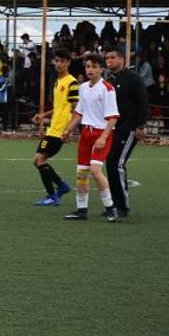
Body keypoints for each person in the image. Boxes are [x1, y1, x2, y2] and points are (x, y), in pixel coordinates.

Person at [62, 54, 120, 222]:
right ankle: (82, 210)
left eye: (94, 67)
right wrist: (68, 130)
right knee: (82, 173)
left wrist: (103, 137)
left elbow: (113, 117)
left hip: (102, 134)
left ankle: (111, 208)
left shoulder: (107, 88)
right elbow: (79, 112)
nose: (90, 70)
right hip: (86, 134)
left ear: (102, 69)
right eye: (88, 66)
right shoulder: (83, 88)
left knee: (95, 170)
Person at [31, 48, 78, 206]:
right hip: (53, 129)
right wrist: (43, 115)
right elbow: (59, 108)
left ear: (68, 62)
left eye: (62, 61)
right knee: (38, 160)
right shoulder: (58, 82)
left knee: (39, 160)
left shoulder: (72, 82)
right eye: (56, 61)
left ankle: (53, 195)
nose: (59, 64)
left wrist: (69, 130)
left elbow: (76, 108)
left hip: (60, 131)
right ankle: (61, 187)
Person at [104, 47, 148, 217]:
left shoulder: (133, 79)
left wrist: (140, 126)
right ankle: (115, 204)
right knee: (111, 164)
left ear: (122, 59)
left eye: (112, 57)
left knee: (117, 164)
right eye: (107, 58)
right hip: (113, 128)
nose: (109, 61)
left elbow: (143, 102)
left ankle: (123, 206)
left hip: (128, 128)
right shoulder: (109, 80)